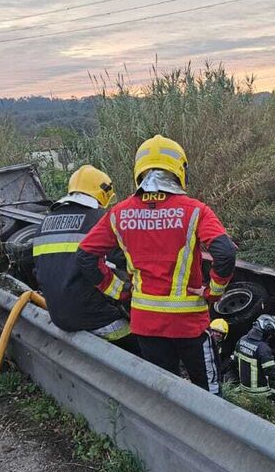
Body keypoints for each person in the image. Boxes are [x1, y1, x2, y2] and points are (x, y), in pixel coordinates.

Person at [78, 135, 237, 395]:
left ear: (139, 170)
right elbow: (225, 252)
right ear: (179, 170)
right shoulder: (195, 211)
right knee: (210, 395)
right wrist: (213, 292)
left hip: (145, 324)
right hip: (190, 325)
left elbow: (85, 256)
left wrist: (119, 291)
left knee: (163, 392)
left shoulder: (119, 213)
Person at [34, 165, 137, 353]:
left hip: (58, 317)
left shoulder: (44, 223)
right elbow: (126, 260)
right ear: (103, 193)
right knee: (140, 340)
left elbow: (40, 270)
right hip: (94, 318)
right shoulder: (99, 219)